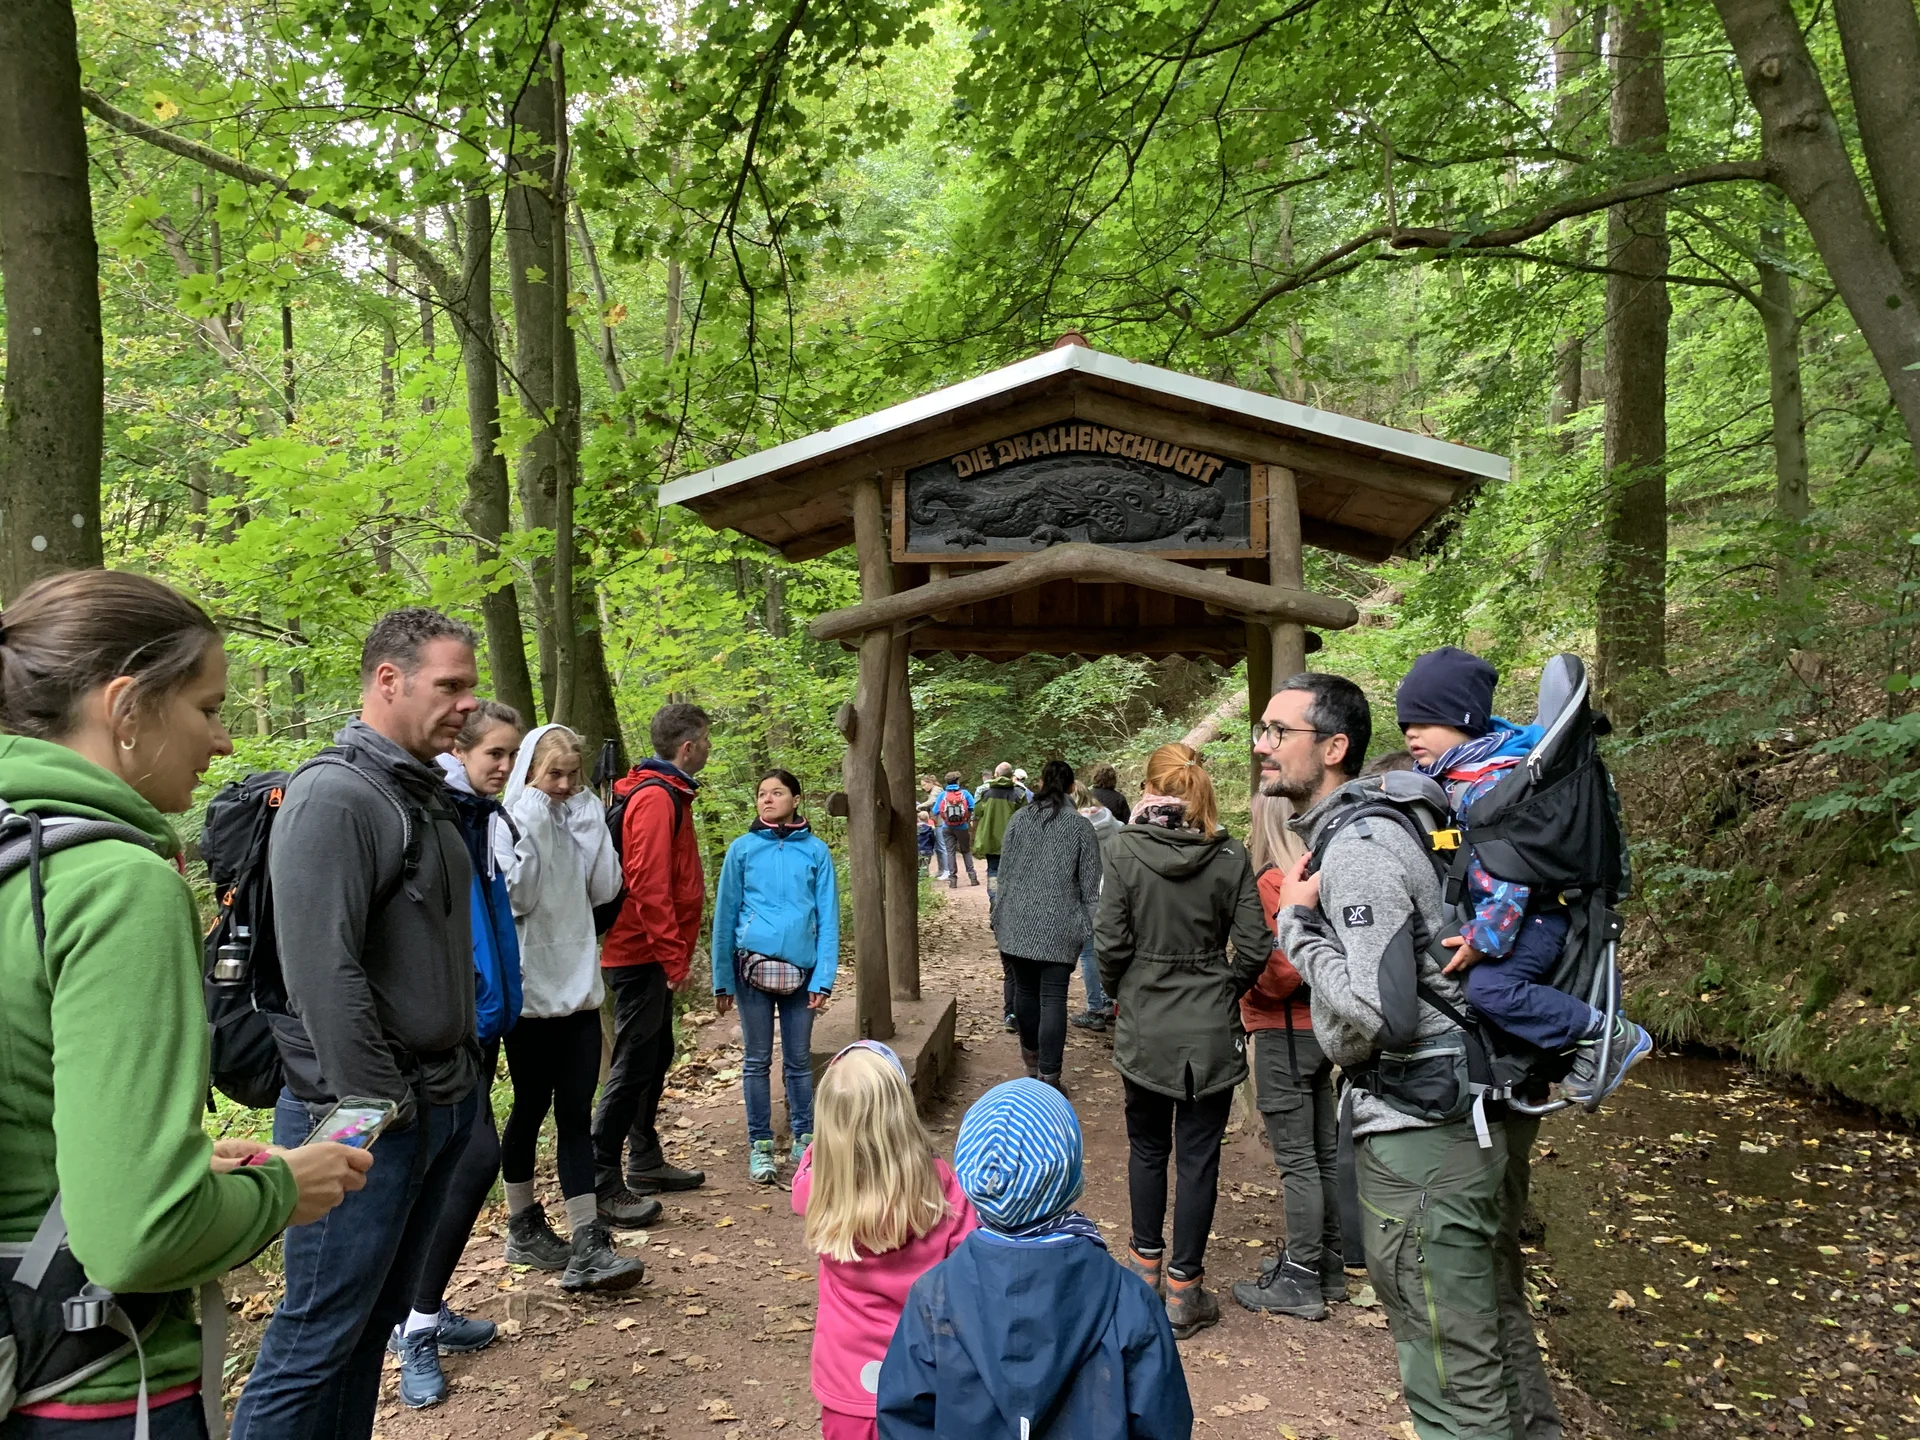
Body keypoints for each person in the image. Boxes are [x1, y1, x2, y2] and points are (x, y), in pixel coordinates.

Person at [0, 571, 368, 1440]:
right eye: (207, 708)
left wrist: (170, 1162)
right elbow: (139, 1238)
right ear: (126, 708)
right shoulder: (110, 884)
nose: (226, 741)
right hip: (87, 1379)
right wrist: (286, 1186)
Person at [233, 609, 485, 1440]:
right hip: (363, 1117)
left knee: (366, 1332)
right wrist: (379, 1106)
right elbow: (320, 972)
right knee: (313, 1339)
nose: (466, 706)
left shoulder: (424, 792)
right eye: (450, 687)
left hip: (434, 1101)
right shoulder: (334, 796)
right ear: (389, 681)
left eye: (470, 689)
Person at [1259, 670, 1522, 1440]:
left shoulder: (1362, 847)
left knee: (1449, 1373)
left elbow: (1379, 1013)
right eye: (1262, 732)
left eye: (1280, 734)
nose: (1263, 748)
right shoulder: (1397, 818)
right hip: (1464, 1116)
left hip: (1424, 1137)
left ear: (1335, 747)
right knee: (1494, 1345)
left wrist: (1297, 930)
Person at [1396, 647, 1651, 1102]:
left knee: (1492, 990)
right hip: (1517, 913)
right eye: (1405, 726)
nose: (1412, 734)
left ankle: (1608, 1033)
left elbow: (1510, 872)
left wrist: (1484, 938)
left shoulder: (1489, 783)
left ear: (1464, 720)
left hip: (1536, 914)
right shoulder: (1460, 775)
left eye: (1425, 722)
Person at [876, 1079, 1191, 1440]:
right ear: (1069, 1173)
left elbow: (903, 1420)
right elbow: (1164, 1424)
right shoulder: (1130, 1302)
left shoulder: (934, 1297)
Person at [1095, 743, 1269, 1339]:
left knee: (1147, 1148)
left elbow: (1110, 944)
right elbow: (1253, 946)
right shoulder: (1229, 856)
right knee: (1199, 1157)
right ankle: (1184, 1290)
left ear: (1147, 786)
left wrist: (1128, 989)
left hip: (1146, 1023)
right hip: (1209, 1031)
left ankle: (1143, 1271)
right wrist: (1223, 989)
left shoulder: (1121, 850)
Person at [393, 700, 525, 1407]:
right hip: (451, 1028)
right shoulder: (437, 812)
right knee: (470, 1161)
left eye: (511, 755)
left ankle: (423, 1310)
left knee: (463, 1165)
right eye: (493, 755)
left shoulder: (480, 816)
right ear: (461, 752)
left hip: (486, 1020)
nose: (504, 767)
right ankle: (411, 1324)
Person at [496, 723, 646, 1291]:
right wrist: (534, 806)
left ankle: (587, 1239)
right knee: (531, 1107)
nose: (562, 785)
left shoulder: (573, 814)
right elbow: (522, 895)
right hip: (532, 996)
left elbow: (606, 887)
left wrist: (586, 816)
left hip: (580, 989)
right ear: (530, 772)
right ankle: (522, 1223)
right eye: (551, 774)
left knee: (575, 1115)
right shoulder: (509, 821)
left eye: (570, 775)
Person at [794, 1043, 976, 1440]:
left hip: (845, 1389)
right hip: (923, 1378)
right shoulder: (941, 1190)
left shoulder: (820, 1190)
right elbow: (970, 1263)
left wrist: (827, 1145)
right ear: (903, 1117)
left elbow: (807, 1168)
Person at [1230, 763, 1344, 1321]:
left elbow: (1281, 971)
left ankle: (1301, 1277)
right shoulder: (1325, 870)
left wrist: (1242, 981)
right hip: (1325, 1033)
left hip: (1284, 1034)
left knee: (1298, 1161)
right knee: (1322, 1153)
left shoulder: (1275, 882)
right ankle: (1329, 1267)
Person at [593, 702, 712, 1219]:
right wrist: (673, 959)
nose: (709, 748)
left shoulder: (667, 792)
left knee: (655, 1055)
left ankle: (644, 1158)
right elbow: (648, 884)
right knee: (632, 1063)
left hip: (649, 951)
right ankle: (599, 1179)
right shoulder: (657, 798)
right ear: (687, 747)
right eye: (705, 740)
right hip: (639, 951)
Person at [713, 768, 839, 1184]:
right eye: (761, 793)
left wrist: (823, 978)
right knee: (756, 1060)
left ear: (796, 799)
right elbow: (725, 915)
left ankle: (807, 1140)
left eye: (777, 792)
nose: (767, 799)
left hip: (802, 973)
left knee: (799, 1061)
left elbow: (828, 917)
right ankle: (761, 1145)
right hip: (750, 970)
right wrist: (722, 980)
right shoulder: (742, 850)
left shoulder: (816, 851)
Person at [990, 759, 1101, 1092]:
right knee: (1053, 999)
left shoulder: (1019, 819)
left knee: (1025, 992)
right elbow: (1091, 882)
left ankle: (1032, 1063)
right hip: (1060, 924)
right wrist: (1085, 923)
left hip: (1017, 923)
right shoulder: (1080, 826)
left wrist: (998, 915)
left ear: (1039, 783)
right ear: (1071, 788)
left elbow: (1003, 873)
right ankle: (1050, 1078)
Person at [1068, 782, 1121, 1031]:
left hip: (1086, 894)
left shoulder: (1073, 826)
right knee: (1107, 949)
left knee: (1088, 953)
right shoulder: (1113, 823)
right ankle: (1109, 1002)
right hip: (1112, 892)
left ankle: (1095, 1009)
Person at [970, 763, 1024, 902]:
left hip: (991, 839)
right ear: (1011, 776)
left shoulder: (986, 793)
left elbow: (977, 811)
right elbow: (1026, 817)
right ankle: (1008, 902)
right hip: (1013, 841)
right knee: (1011, 871)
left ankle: (994, 898)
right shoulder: (1019, 793)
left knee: (993, 870)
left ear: (996, 774)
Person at [935, 773, 978, 890]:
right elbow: (974, 806)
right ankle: (972, 877)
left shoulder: (942, 795)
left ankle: (953, 880)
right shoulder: (965, 794)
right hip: (962, 826)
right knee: (966, 851)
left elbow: (935, 810)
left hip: (946, 827)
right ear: (958, 782)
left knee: (950, 852)